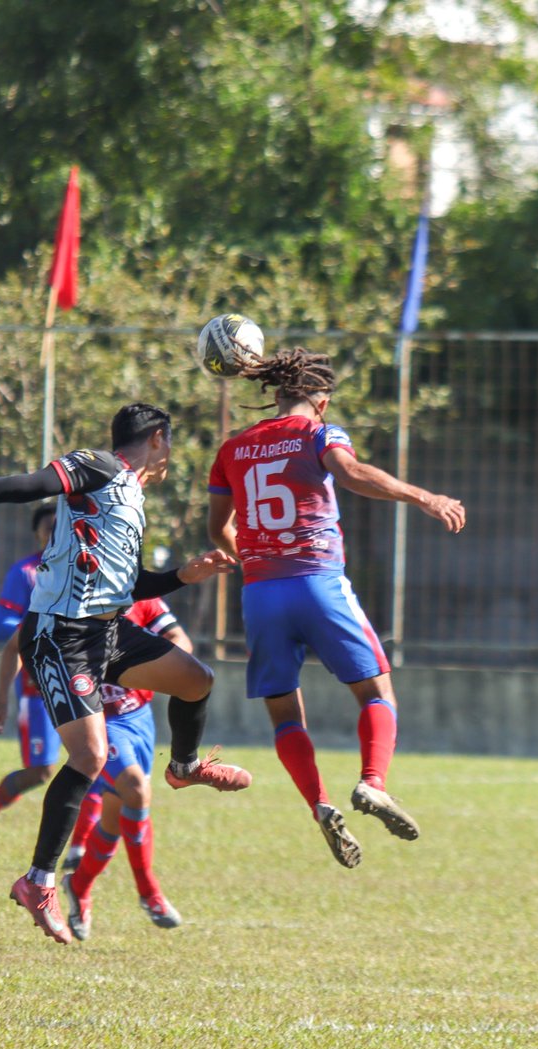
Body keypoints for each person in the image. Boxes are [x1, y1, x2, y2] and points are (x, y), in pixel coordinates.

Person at [0, 402, 252, 944]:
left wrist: (184, 574)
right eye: (169, 445)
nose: (169, 456)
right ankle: (39, 881)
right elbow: (33, 482)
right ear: (158, 439)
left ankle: (183, 767)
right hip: (59, 635)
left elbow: (128, 585)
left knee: (196, 679)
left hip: (105, 631)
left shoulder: (130, 498)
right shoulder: (101, 466)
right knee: (89, 757)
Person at [207, 347, 466, 868]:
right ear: (321, 401)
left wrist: (253, 559)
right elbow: (348, 474)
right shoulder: (320, 434)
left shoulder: (232, 448)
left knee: (284, 711)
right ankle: (373, 784)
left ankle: (318, 803)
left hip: (260, 594)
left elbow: (219, 529)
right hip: (318, 582)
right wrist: (424, 498)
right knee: (376, 690)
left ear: (276, 395)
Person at [0, 596, 190, 941]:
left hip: (139, 719)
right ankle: (149, 892)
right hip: (100, 722)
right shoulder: (67, 598)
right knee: (136, 790)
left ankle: (78, 886)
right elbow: (15, 645)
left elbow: (179, 640)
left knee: (114, 817)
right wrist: (2, 699)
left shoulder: (142, 597)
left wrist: (152, 664)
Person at [0, 504, 60, 858]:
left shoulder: (83, 568)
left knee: (99, 762)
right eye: (47, 527)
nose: (54, 533)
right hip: (38, 687)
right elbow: (0, 626)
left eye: (60, 526)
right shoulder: (26, 572)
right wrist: (40, 627)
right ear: (37, 533)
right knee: (40, 771)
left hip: (83, 682)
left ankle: (80, 848)